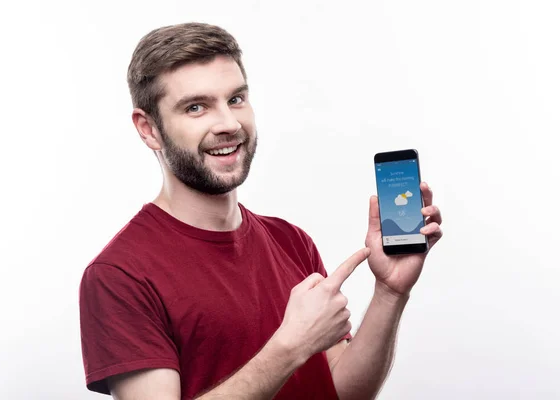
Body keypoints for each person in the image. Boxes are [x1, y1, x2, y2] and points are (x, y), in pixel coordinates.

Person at [78, 22, 443, 400]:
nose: (229, 124)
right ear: (148, 128)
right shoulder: (118, 276)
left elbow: (340, 391)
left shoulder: (290, 240)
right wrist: (291, 345)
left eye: (236, 99)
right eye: (196, 107)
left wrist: (389, 292)